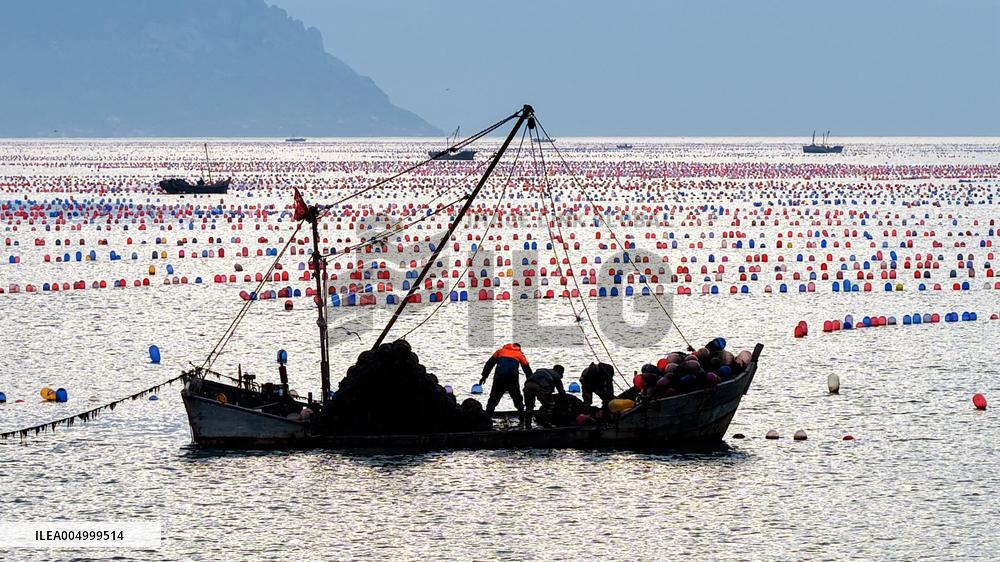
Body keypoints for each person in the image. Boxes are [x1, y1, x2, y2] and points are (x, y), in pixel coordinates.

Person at [480, 343, 533, 424]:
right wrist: (531, 381)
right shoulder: (519, 354)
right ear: (519, 348)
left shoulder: (500, 351)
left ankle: (487, 418)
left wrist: (484, 376)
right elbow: (527, 369)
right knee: (517, 398)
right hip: (512, 380)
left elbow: (489, 364)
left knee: (493, 399)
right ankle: (522, 417)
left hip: (499, 379)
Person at [523, 364, 565, 429]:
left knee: (529, 407)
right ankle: (546, 424)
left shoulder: (543, 371)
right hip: (540, 387)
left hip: (528, 384)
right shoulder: (557, 375)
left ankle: (527, 425)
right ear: (560, 372)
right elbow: (561, 391)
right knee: (548, 405)